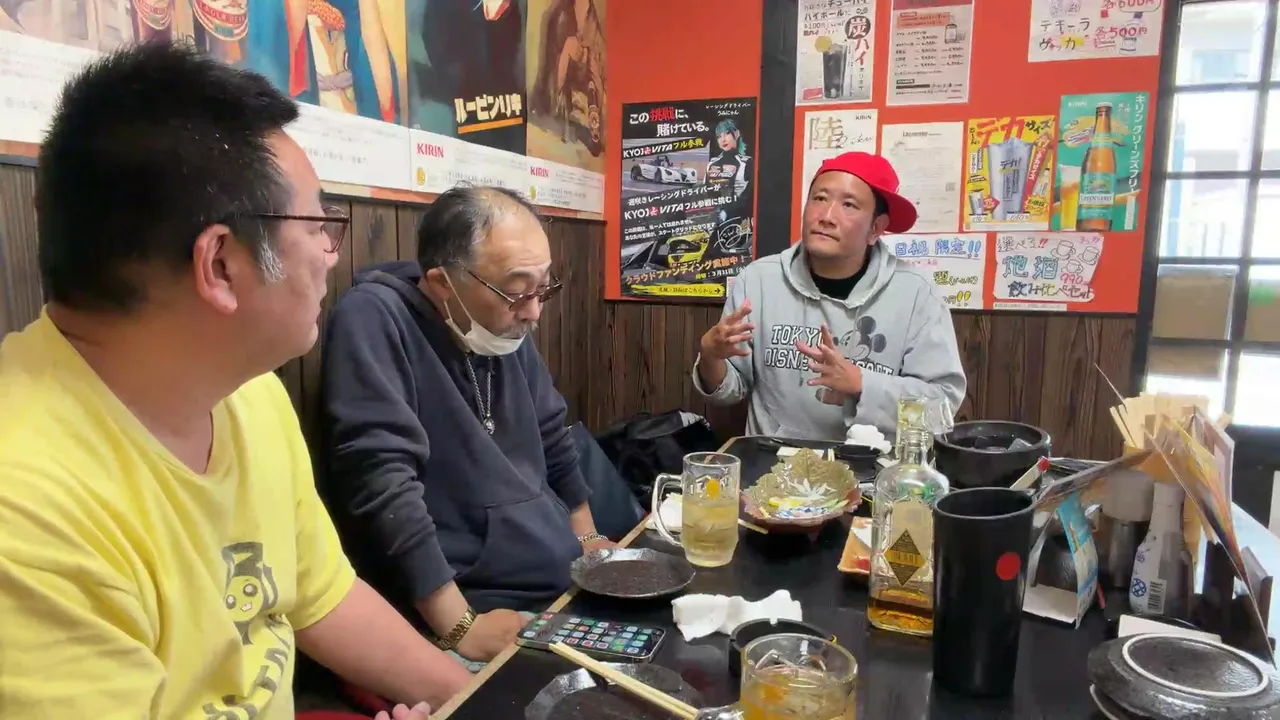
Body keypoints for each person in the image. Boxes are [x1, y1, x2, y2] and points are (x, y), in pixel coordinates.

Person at [0, 43, 473, 717]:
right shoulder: (25, 511)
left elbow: (323, 597)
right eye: (318, 225)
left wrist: (478, 700)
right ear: (220, 265)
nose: (330, 253)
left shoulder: (247, 391)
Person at [320, 186, 615, 667]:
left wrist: (588, 541)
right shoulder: (374, 317)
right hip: (462, 606)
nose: (533, 311)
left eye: (542, 287)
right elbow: (382, 484)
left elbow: (552, 432)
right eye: (517, 290)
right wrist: (460, 625)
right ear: (443, 284)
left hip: (554, 580)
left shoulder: (505, 325)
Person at [692, 151, 966, 441]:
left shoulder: (916, 293)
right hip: (774, 462)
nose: (826, 216)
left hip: (874, 466)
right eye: (820, 198)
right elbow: (730, 391)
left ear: (876, 228)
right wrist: (710, 356)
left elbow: (942, 406)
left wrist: (862, 384)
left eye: (849, 205)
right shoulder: (758, 281)